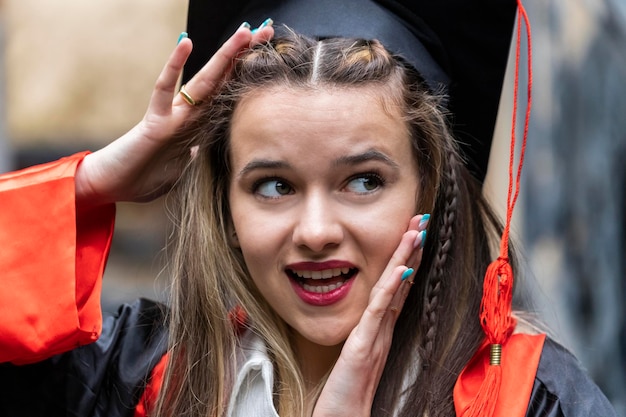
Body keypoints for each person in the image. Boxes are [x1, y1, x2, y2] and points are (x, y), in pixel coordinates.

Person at [0, 1, 617, 416]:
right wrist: (91, 183)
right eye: (273, 186)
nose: (316, 232)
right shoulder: (134, 379)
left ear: (428, 189)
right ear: (224, 201)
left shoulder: (529, 400)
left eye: (364, 182)